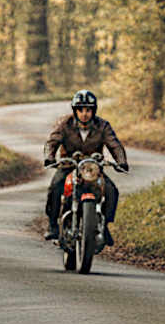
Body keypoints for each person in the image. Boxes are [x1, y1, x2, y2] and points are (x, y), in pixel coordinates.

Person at [42, 89, 128, 245]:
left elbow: (114, 145)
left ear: (93, 110)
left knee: (111, 190)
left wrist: (121, 161)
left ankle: (104, 226)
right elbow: (51, 142)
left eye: (88, 109)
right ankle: (53, 224)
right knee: (55, 187)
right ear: (75, 110)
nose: (84, 113)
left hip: (93, 168)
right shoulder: (65, 124)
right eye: (81, 109)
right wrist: (49, 157)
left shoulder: (102, 125)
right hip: (69, 165)